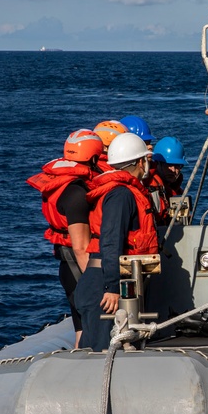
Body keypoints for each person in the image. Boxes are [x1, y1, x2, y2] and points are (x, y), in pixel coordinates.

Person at [74, 132, 159, 351]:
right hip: (103, 286)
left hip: (104, 280)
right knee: (101, 353)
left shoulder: (120, 192)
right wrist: (111, 287)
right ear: (141, 162)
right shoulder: (121, 195)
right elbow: (111, 242)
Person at [26, 129, 103, 347]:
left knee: (79, 323)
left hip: (66, 264)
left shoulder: (60, 185)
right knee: (89, 322)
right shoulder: (76, 194)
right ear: (95, 158)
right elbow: (80, 246)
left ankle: (80, 358)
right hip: (78, 266)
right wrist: (96, 282)